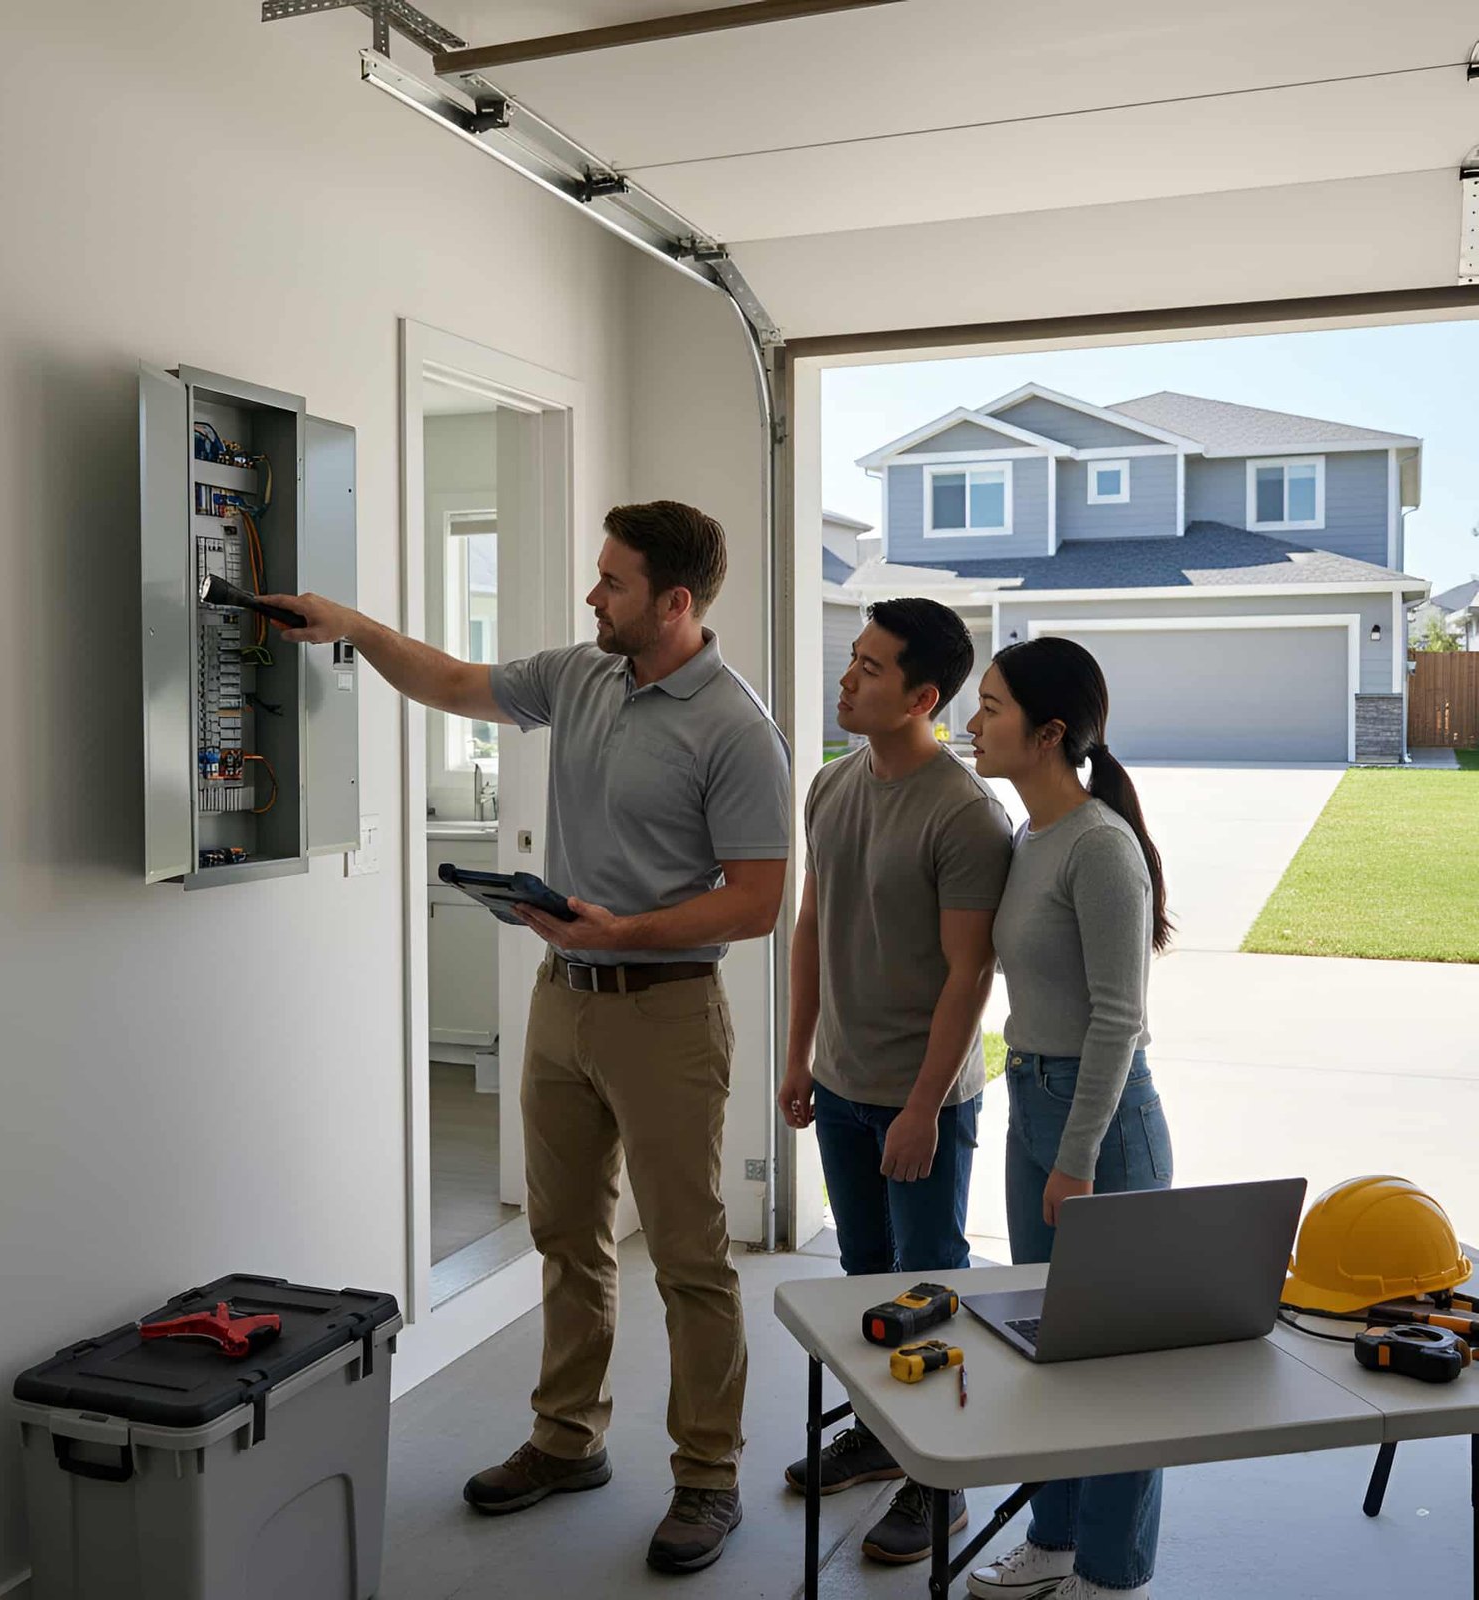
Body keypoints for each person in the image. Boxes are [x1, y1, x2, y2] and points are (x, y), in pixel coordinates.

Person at [269, 501, 791, 1576]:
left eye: (613, 582)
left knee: (690, 1256)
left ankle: (707, 1476)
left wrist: (628, 929)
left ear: (676, 602)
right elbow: (456, 683)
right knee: (564, 1232)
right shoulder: (581, 673)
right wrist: (352, 626)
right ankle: (567, 1438)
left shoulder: (737, 727)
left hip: (670, 1013)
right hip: (562, 1000)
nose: (592, 596)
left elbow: (757, 901)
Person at [778, 599, 1011, 1565]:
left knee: (928, 1286)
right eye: (851, 661)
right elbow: (812, 928)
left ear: (923, 696)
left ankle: (940, 1483)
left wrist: (922, 1106)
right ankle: (882, 1437)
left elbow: (971, 974)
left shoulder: (966, 814)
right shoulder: (831, 788)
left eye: (870, 670)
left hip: (925, 1100)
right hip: (840, 1085)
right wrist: (797, 1058)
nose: (846, 679)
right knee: (863, 1280)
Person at [962, 636, 1174, 1600]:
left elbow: (1119, 1019)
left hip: (1102, 1123)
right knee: (1047, 1343)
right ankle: (1051, 1538)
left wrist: (1077, 1160)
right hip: (1033, 1100)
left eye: (992, 705)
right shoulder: (1032, 838)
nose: (973, 721)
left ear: (1048, 733)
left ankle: (1107, 1570)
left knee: (1118, 1364)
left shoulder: (1100, 846)